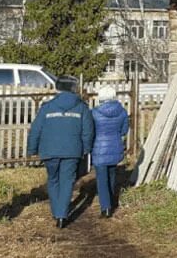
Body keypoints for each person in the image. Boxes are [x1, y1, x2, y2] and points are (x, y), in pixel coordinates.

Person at [27, 75, 93, 228]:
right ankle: (62, 215)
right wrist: (86, 148)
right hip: (72, 150)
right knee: (67, 181)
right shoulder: (82, 107)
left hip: (49, 150)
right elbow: (88, 131)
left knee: (53, 179)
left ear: (57, 88)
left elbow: (36, 129)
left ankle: (56, 210)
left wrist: (32, 148)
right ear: (73, 89)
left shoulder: (47, 107)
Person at [91, 86, 128, 218]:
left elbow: (91, 132)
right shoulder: (122, 112)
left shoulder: (94, 113)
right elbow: (124, 131)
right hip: (115, 146)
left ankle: (105, 208)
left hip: (99, 148)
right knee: (112, 175)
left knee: (101, 179)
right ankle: (112, 202)